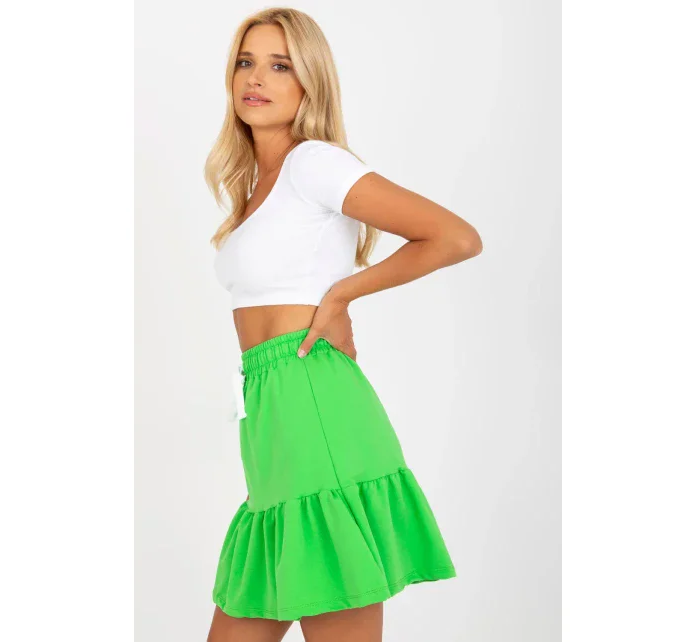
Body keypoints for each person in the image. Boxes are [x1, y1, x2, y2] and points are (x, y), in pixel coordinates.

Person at [204, 7, 483, 642]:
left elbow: (455, 237)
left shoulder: (314, 163)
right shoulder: (257, 183)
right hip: (271, 413)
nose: (256, 78)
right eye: (246, 62)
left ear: (311, 81)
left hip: (313, 400)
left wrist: (343, 295)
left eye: (281, 65)